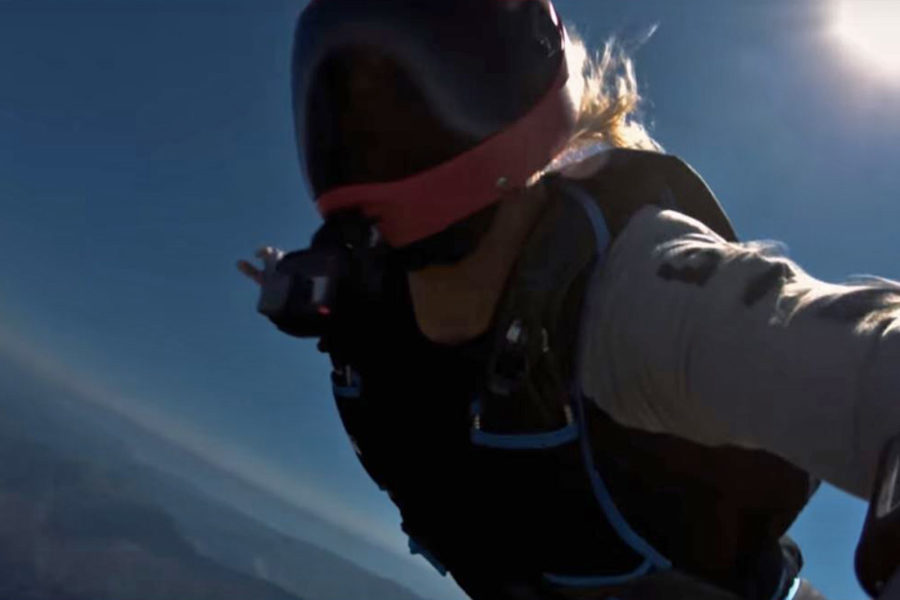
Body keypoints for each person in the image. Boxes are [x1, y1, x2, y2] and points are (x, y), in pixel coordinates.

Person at [238, 1, 900, 598]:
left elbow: (854, 352)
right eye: (348, 113)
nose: (366, 144)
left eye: (402, 99)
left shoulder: (637, 302)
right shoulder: (362, 304)